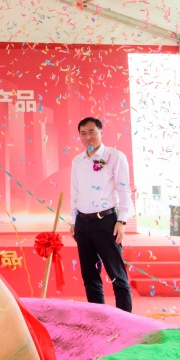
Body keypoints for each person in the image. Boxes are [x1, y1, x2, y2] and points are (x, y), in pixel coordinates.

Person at [69, 117, 134, 312]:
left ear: (101, 132)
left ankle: (124, 319)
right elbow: (75, 192)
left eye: (92, 132)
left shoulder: (115, 157)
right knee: (89, 276)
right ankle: (97, 319)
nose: (87, 137)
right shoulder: (77, 161)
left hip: (106, 221)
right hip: (82, 223)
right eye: (83, 133)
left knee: (116, 274)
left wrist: (122, 221)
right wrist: (73, 221)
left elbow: (124, 190)